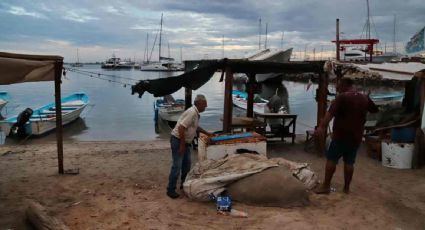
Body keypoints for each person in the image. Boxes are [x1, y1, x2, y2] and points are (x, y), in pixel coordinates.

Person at [315, 78, 378, 194]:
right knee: (349, 162)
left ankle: (326, 186)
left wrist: (321, 127)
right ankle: (346, 188)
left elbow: (329, 115)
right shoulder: (364, 97)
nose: (337, 88)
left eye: (338, 85)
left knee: (331, 159)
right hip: (356, 136)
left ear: (344, 85)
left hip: (340, 134)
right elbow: (374, 110)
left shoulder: (342, 97)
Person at [166, 94, 212, 199]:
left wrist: (207, 133)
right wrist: (182, 145)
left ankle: (183, 184)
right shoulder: (192, 112)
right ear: (199, 104)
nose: (206, 106)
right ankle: (170, 189)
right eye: (204, 105)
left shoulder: (195, 113)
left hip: (185, 142)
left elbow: (195, 127)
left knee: (187, 164)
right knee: (177, 165)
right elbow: (181, 128)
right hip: (178, 141)